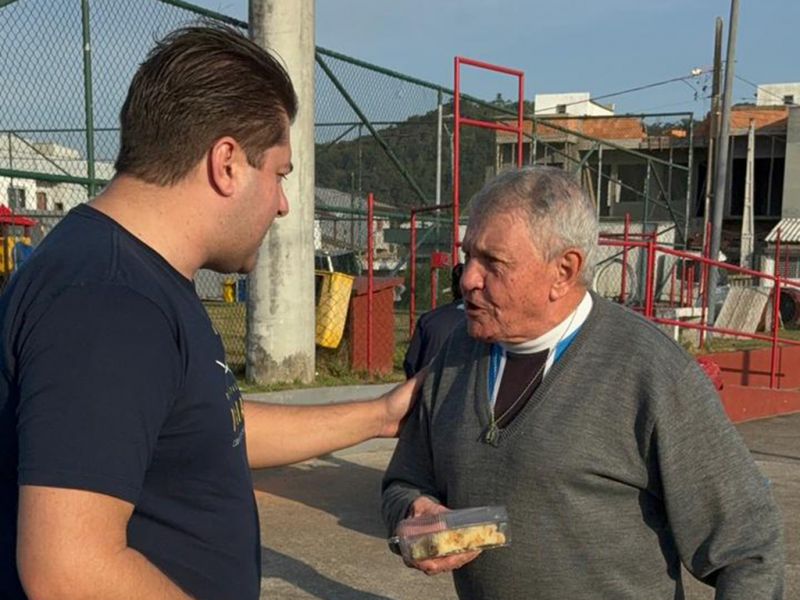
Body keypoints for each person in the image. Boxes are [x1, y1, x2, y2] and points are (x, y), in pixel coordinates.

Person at [0, 25, 421, 600]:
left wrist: (379, 415)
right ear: (227, 163)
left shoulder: (135, 278)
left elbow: (206, 428)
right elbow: (69, 570)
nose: (282, 203)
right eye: (279, 173)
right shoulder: (110, 300)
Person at [382, 166, 784, 599]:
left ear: (564, 270)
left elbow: (748, 550)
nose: (467, 280)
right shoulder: (457, 354)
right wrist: (412, 510)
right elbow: (403, 481)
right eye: (468, 257)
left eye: (493, 263)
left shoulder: (650, 372)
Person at [403, 263, 465, 378]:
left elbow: (411, 363)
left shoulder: (428, 319)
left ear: (452, 287)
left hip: (428, 389)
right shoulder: (490, 324)